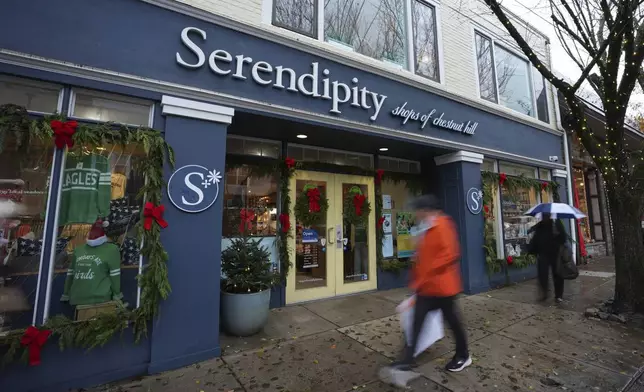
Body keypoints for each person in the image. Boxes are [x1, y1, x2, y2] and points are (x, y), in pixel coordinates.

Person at [392, 194, 471, 373]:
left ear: (426, 210)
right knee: (416, 321)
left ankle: (463, 355)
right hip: (427, 287)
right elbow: (423, 257)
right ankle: (408, 359)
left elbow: (451, 254)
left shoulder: (443, 225)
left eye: (419, 210)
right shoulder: (426, 227)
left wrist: (426, 272)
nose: (416, 214)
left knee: (453, 322)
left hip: (443, 288)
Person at [528, 213, 567, 303]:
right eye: (543, 216)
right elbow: (535, 239)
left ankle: (558, 295)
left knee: (557, 274)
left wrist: (557, 238)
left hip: (555, 253)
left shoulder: (556, 224)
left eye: (546, 215)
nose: (544, 217)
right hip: (543, 254)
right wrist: (533, 249)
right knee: (542, 274)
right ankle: (544, 293)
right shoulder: (540, 226)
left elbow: (563, 238)